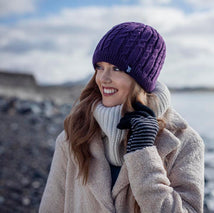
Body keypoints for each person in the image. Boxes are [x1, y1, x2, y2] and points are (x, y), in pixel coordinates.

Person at [39, 22, 204, 213]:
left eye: (116, 69)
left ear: (141, 79)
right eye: (100, 67)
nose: (103, 78)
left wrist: (144, 154)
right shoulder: (75, 133)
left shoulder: (185, 142)